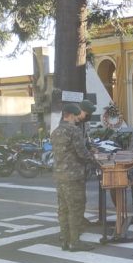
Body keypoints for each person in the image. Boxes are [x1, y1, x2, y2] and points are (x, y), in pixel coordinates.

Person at [51, 103, 96, 252]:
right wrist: (94, 159)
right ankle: (75, 242)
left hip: (59, 175)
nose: (78, 118)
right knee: (75, 208)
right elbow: (82, 153)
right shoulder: (74, 131)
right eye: (76, 115)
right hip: (74, 176)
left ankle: (65, 240)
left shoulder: (56, 131)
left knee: (63, 209)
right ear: (69, 115)